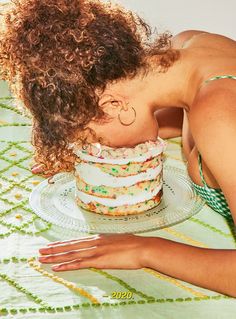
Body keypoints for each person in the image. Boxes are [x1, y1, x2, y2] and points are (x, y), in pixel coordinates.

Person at [0, 0, 236, 297]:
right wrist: (97, 158)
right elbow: (184, 116)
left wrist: (144, 250)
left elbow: (219, 125)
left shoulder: (220, 117)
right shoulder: (190, 46)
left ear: (114, 105)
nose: (96, 148)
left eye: (90, 138)